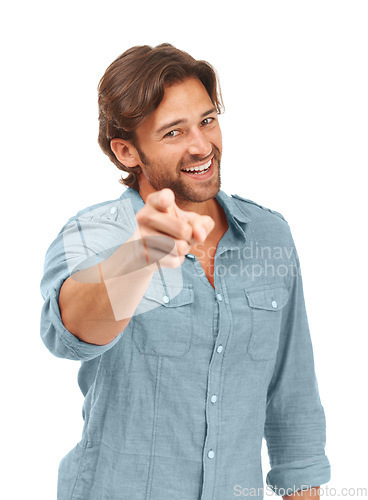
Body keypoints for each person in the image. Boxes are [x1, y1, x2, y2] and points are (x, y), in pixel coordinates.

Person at [40, 43, 331, 500]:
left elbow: (291, 395)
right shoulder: (96, 234)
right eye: (173, 132)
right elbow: (71, 331)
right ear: (127, 151)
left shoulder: (269, 236)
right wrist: (140, 254)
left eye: (207, 120)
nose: (201, 145)